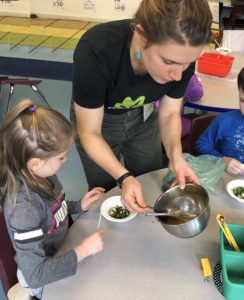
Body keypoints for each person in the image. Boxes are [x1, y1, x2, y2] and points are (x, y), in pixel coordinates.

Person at [70, 0, 212, 213]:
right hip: (100, 121)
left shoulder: (183, 55)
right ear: (140, 35)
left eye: (187, 64)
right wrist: (124, 176)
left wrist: (176, 156)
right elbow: (89, 133)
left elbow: (170, 112)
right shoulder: (97, 50)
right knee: (107, 189)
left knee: (150, 179)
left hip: (143, 117)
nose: (178, 75)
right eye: (169, 62)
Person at [0, 100, 105, 299]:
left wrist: (78, 205)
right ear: (35, 163)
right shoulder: (24, 210)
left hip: (64, 250)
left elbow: (54, 208)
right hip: (45, 280)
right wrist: (82, 251)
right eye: (61, 158)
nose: (65, 161)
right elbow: (35, 275)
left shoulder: (44, 175)